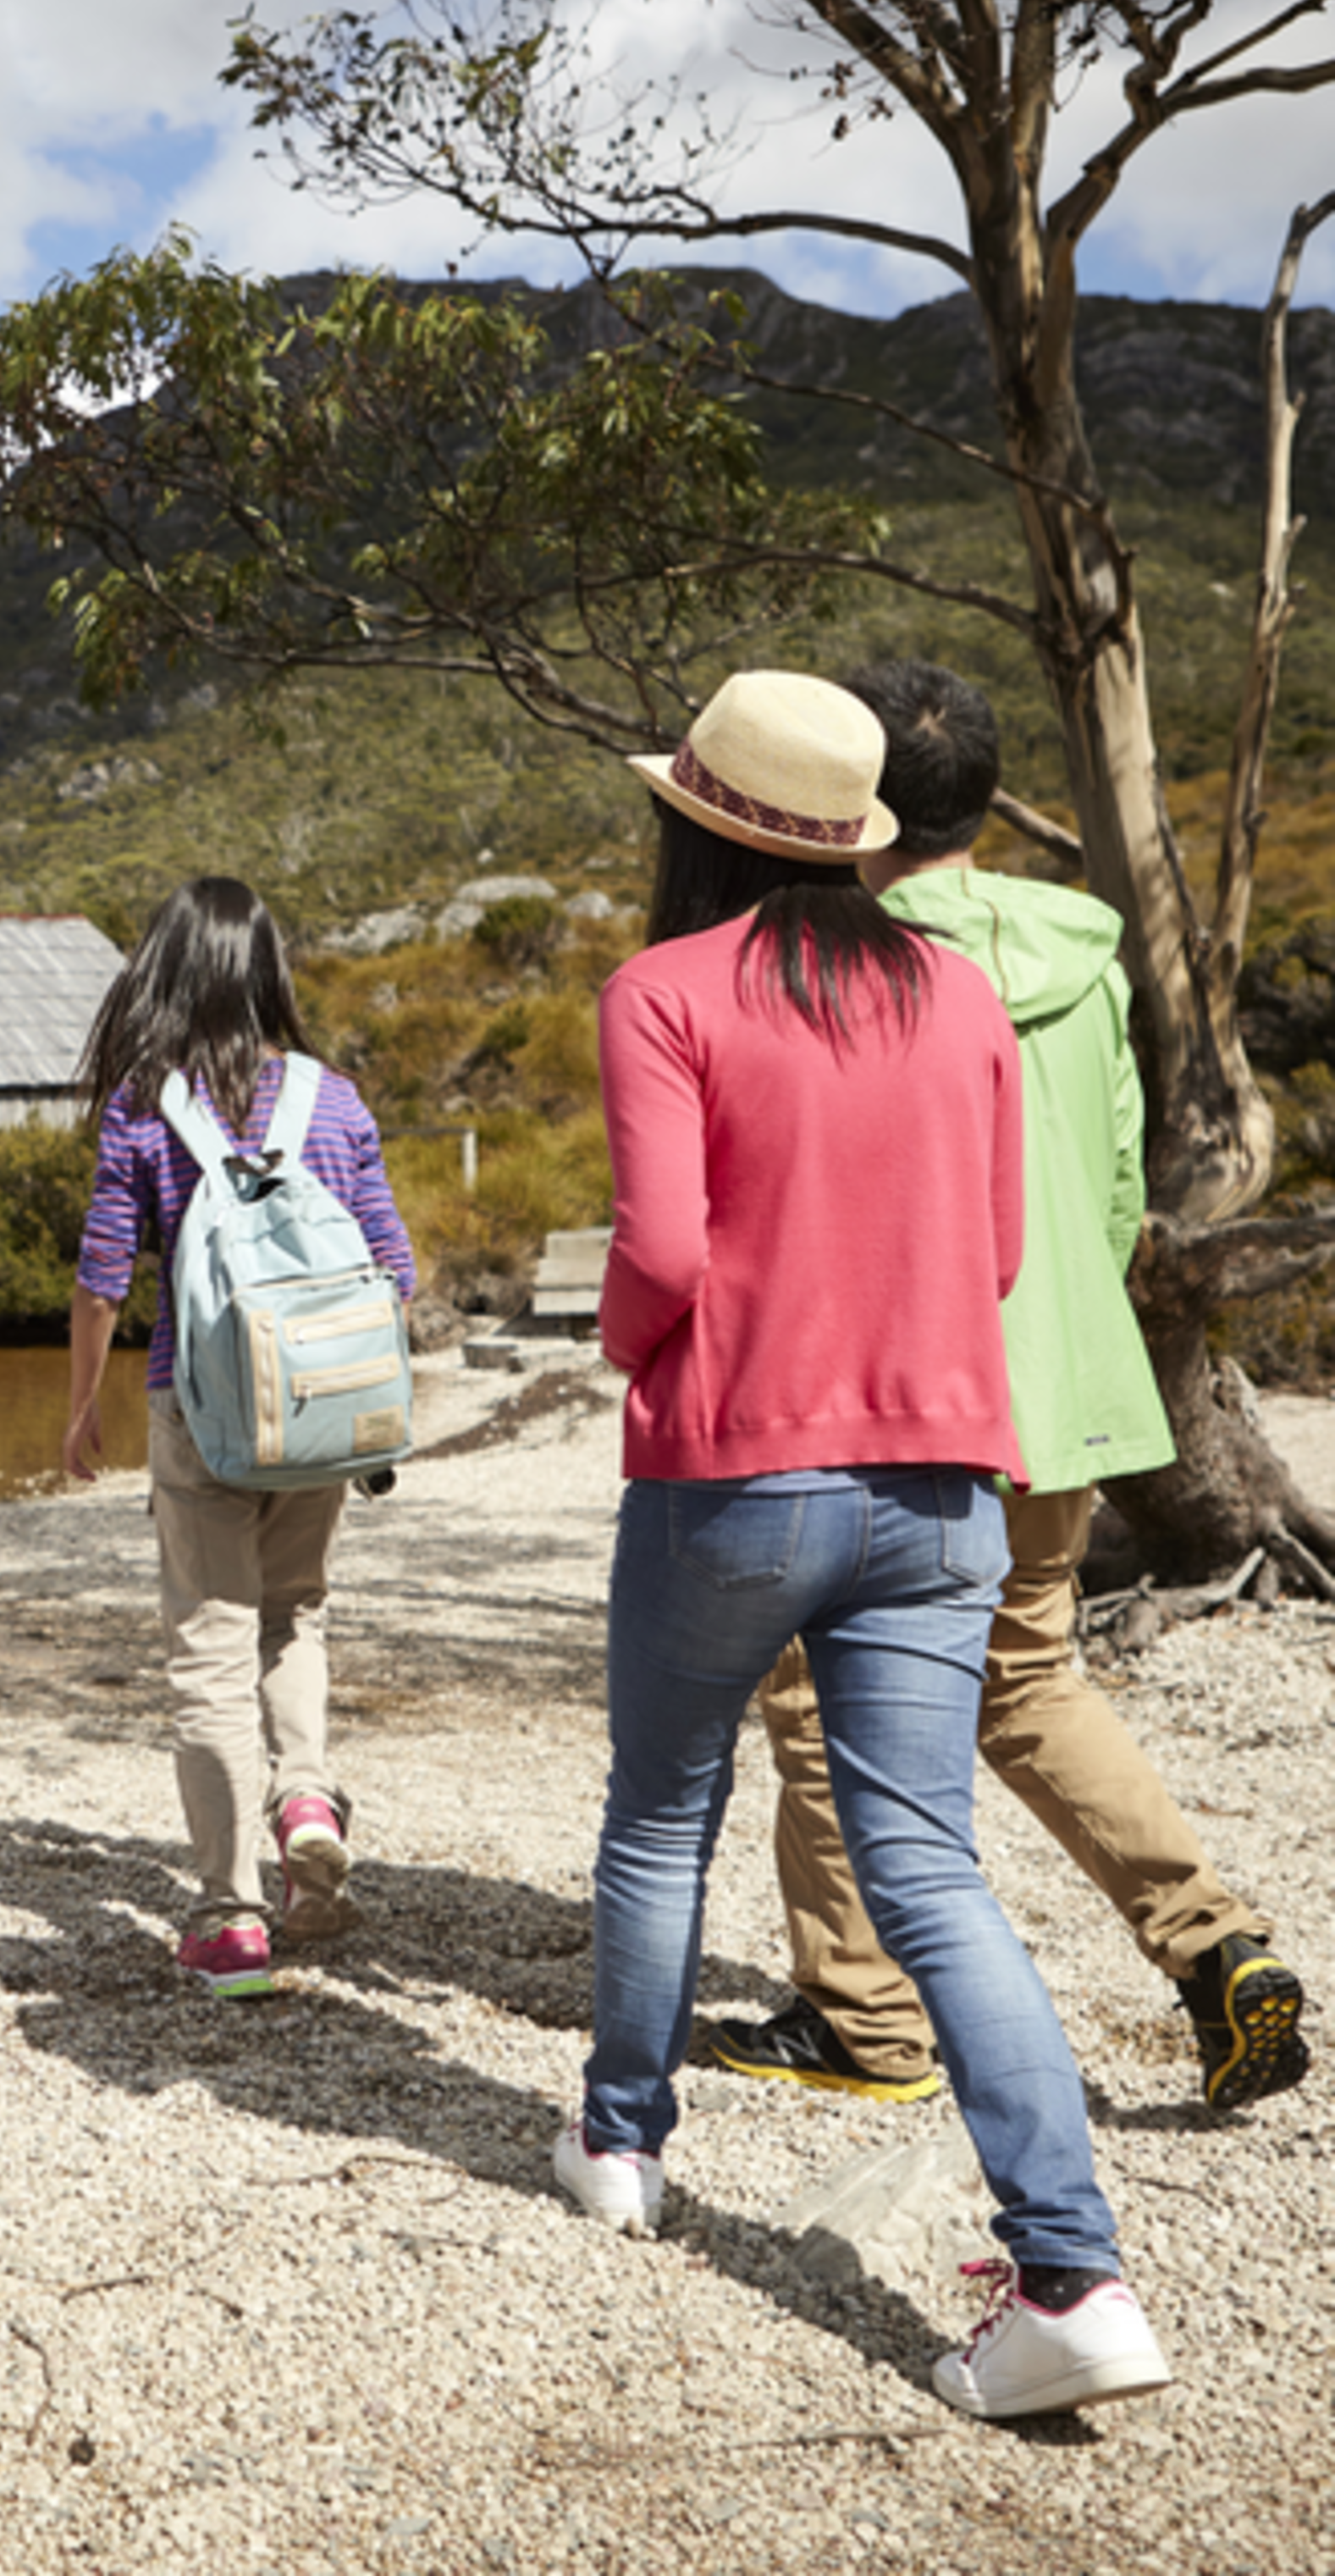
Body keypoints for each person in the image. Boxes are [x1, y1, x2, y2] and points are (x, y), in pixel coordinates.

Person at [555, 666, 1170, 2424]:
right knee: (933, 1872)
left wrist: (626, 1342)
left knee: (666, 1807)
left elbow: (663, 1253)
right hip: (944, 1485)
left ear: (693, 820)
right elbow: (989, 1256)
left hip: (733, 1476)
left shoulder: (663, 992)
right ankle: (1073, 2273)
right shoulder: (963, 996)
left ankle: (621, 2144)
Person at [703, 659, 1310, 2113]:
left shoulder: (835, 964)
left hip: (898, 1392)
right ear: (982, 800)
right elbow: (1110, 1199)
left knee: (813, 1691)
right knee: (1029, 1680)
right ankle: (1216, 1947)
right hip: (1067, 1387)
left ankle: (860, 2016)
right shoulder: (1083, 959)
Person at [64, 875, 416, 1998]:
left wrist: (82, 1406)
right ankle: (304, 1796)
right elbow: (395, 1273)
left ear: (161, 971)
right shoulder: (335, 1098)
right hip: (321, 1411)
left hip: (203, 1413)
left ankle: (229, 1920)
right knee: (294, 1612)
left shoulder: (143, 1106)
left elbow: (104, 1275)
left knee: (208, 1649)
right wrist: (353, 1404)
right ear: (266, 969)